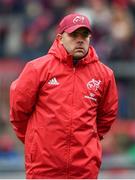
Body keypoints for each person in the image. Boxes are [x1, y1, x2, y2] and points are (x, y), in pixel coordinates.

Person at [10, 13, 118, 179]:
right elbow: (19, 111)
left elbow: (106, 117)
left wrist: (87, 144)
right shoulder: (37, 69)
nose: (80, 40)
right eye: (74, 35)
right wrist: (37, 141)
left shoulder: (104, 75)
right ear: (60, 38)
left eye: (84, 35)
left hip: (84, 170)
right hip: (43, 168)